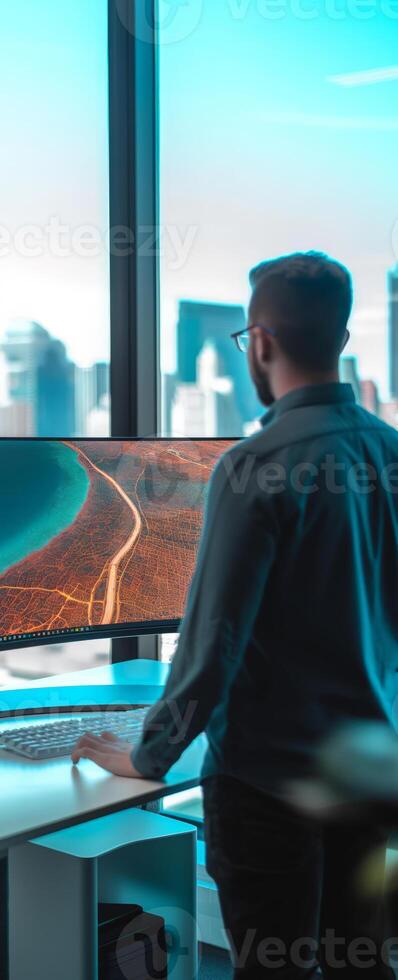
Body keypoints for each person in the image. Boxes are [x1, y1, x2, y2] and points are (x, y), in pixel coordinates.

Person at [72, 252, 398, 978]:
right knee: (363, 965)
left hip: (268, 789)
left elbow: (212, 642)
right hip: (370, 774)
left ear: (260, 342)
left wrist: (147, 755)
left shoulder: (254, 466)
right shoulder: (390, 453)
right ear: (341, 343)